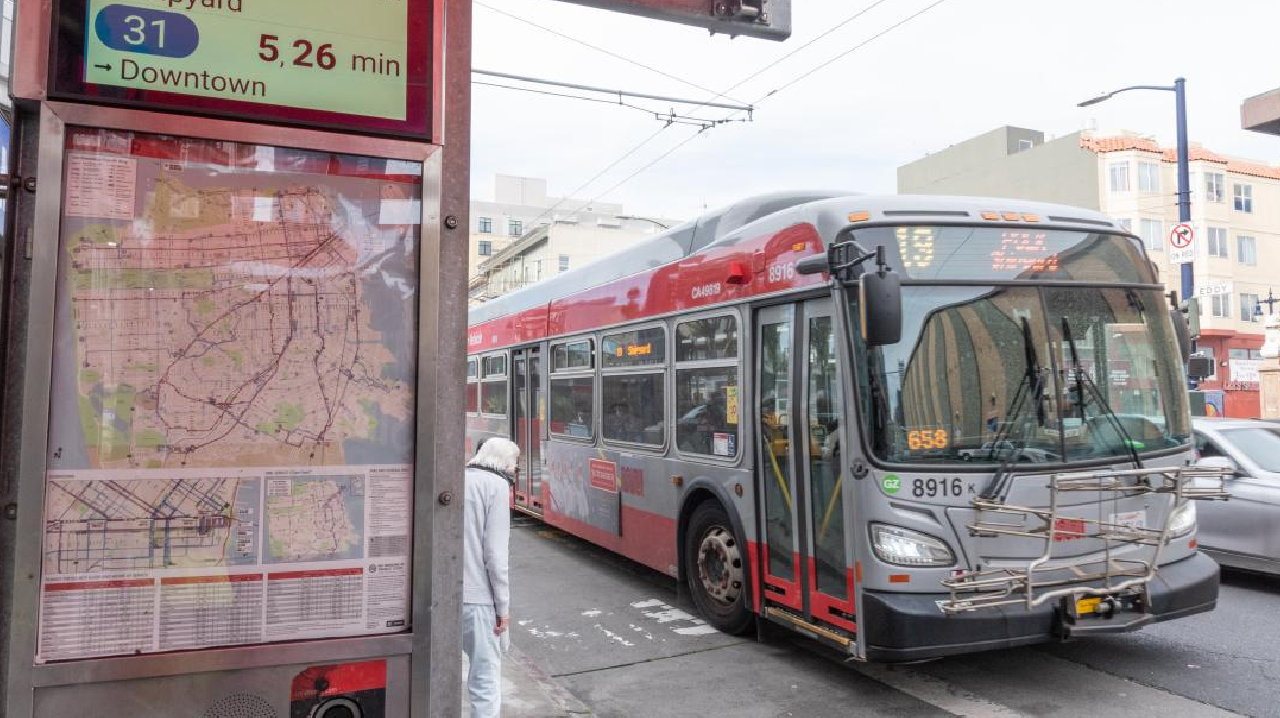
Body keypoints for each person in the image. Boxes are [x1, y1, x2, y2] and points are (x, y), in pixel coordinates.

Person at [462, 437, 518, 718]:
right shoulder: (496, 486)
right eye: (515, 467)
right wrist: (503, 609)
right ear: (505, 464)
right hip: (479, 600)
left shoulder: (459, 478)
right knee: (485, 681)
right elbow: (496, 557)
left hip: (444, 595)